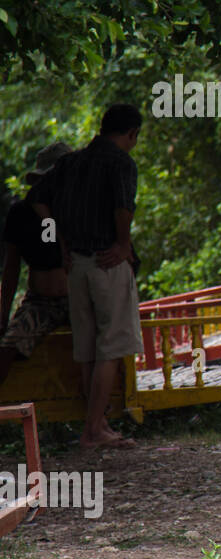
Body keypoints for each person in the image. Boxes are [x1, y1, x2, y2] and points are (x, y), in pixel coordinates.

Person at [31, 104, 144, 450]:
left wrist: (59, 242)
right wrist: (123, 245)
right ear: (131, 134)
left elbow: (36, 199)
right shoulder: (121, 162)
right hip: (107, 263)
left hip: (75, 266)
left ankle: (96, 424)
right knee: (110, 345)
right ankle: (94, 428)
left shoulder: (70, 162)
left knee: (87, 347)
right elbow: (122, 208)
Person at [0, 142, 74, 388]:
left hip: (79, 296)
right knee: (8, 347)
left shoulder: (78, 209)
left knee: (104, 342)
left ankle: (101, 411)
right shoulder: (21, 213)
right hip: (40, 301)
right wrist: (3, 314)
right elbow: (11, 268)